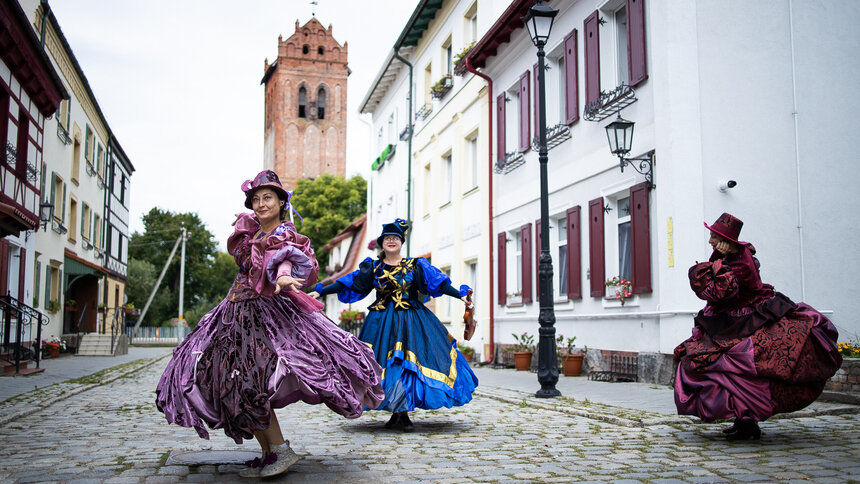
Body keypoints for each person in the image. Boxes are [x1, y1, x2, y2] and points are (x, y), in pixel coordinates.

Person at [155, 170, 384, 478]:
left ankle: (278, 450)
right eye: (257, 199)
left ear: (280, 202)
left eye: (268, 198)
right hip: (233, 313)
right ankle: (269, 453)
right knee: (230, 382)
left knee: (252, 381)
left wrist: (284, 275)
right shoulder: (250, 237)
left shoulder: (285, 234)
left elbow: (285, 259)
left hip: (266, 318)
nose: (261, 204)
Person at [674, 213, 842, 440]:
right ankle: (742, 420)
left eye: (713, 236)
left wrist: (702, 276)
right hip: (728, 319)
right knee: (727, 370)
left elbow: (723, 293)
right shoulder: (727, 255)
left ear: (724, 240)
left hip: (746, 321)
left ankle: (747, 423)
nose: (710, 241)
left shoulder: (741, 263)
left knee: (741, 369)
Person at [308, 218, 478, 431]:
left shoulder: (416, 266)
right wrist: (322, 290)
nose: (391, 241)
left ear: (401, 242)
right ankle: (396, 411)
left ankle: (403, 412)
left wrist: (460, 296)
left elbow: (439, 284)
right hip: (381, 324)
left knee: (408, 365)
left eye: (395, 238)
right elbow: (350, 282)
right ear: (381, 243)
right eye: (387, 238)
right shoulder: (373, 267)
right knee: (383, 365)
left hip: (412, 321)